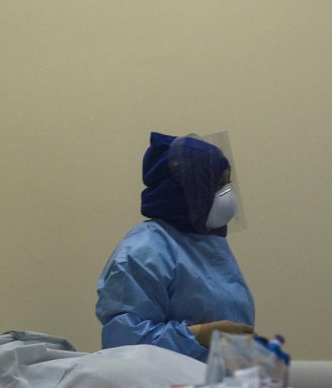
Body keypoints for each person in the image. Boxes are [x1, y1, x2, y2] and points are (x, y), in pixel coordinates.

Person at [96, 132, 254, 360]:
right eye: (217, 185)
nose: (227, 194)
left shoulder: (207, 245)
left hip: (215, 386)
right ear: (184, 191)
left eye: (228, 183)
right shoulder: (142, 252)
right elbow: (124, 345)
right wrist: (198, 335)